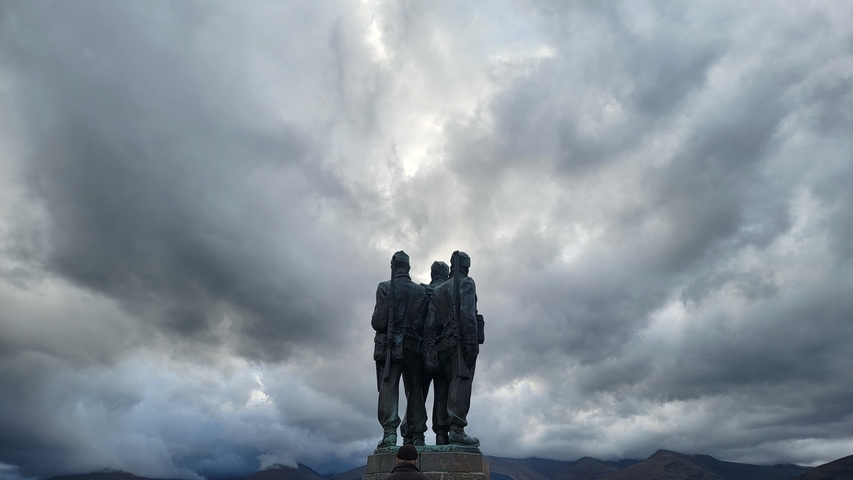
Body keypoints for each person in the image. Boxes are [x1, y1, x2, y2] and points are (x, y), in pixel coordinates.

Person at [372, 251, 429, 450]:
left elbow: (378, 321)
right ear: (408, 268)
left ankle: (389, 433)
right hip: (414, 347)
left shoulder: (385, 288)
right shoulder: (420, 292)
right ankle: (418, 435)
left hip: (390, 346)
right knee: (415, 391)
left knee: (388, 388)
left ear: (393, 267)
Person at [425, 251, 483, 446]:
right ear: (466, 265)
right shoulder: (466, 283)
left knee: (441, 389)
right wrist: (472, 343)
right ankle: (456, 430)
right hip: (459, 344)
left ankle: (441, 433)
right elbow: (468, 314)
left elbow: (431, 323)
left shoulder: (439, 289)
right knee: (461, 382)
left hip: (441, 346)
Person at [400, 261, 449, 445]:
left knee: (415, 394)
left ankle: (411, 435)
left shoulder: (420, 291)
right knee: (442, 393)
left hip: (418, 350)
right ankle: (442, 435)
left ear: (432, 273)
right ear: (446, 274)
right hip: (442, 348)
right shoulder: (447, 292)